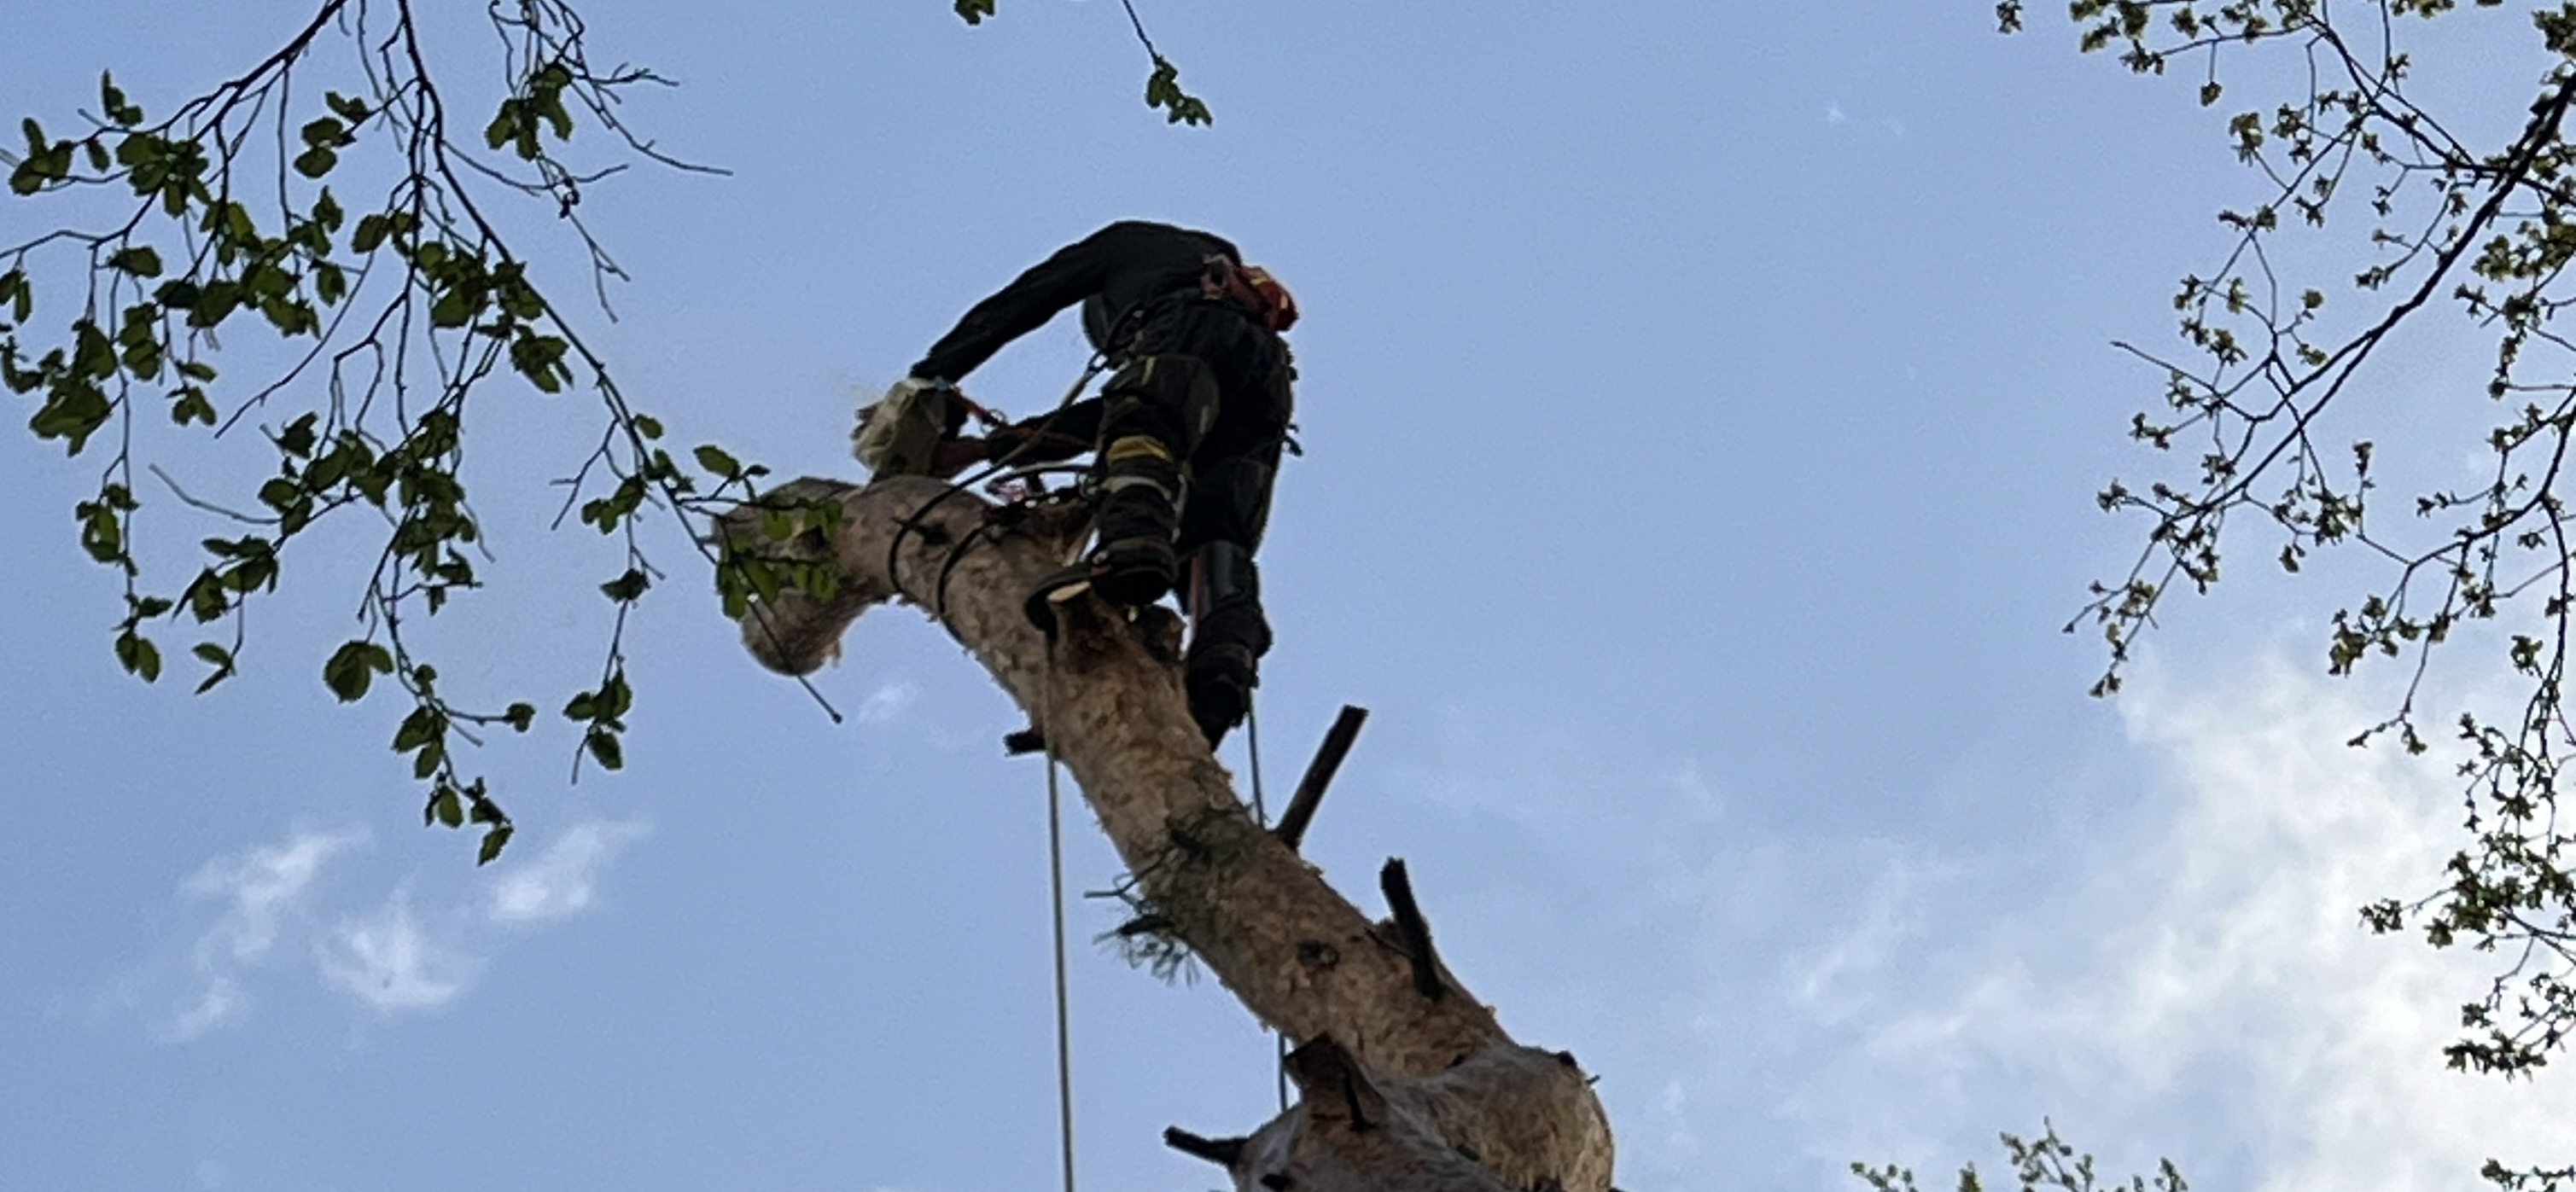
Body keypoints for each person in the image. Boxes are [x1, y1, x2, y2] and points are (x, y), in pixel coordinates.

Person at [856, 220, 1298, 747]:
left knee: (1142, 435)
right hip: (1269, 385)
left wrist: (929, 377)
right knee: (1216, 527)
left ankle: (1131, 548)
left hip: (1188, 330)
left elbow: (1022, 303)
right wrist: (977, 450)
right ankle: (1224, 654)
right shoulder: (1231, 308)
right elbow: (1102, 419)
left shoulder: (1132, 251)